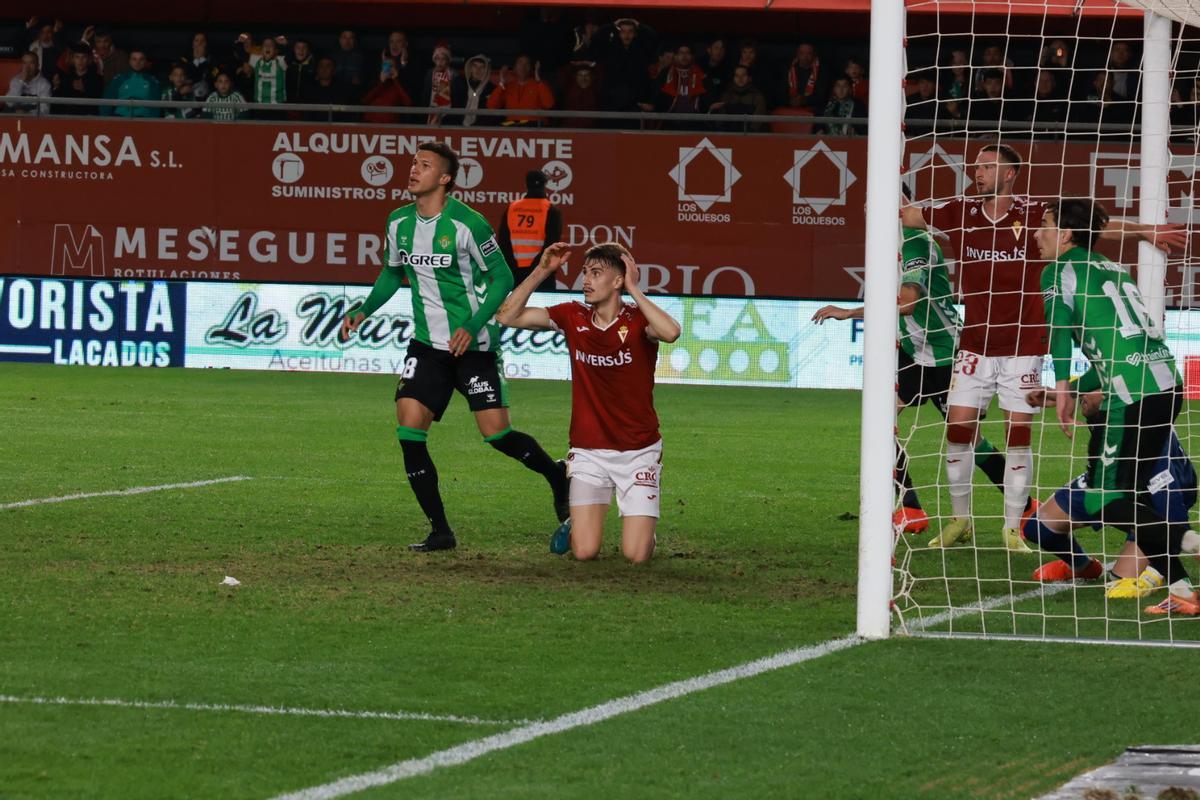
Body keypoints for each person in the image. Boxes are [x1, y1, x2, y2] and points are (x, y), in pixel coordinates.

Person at [899, 144, 1183, 552]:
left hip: (1023, 344)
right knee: (958, 429)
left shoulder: (1035, 214)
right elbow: (910, 215)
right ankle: (960, 519)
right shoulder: (960, 210)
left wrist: (1144, 231)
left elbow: (1094, 228)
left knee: (1018, 434)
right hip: (975, 343)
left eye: (988, 166)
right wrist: (893, 210)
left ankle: (1013, 527)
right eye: (976, 166)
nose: (977, 172)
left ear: (1010, 174)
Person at [339, 142, 570, 552]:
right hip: (427, 346)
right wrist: (363, 310)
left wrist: (472, 324)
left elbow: (501, 279)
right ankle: (440, 531)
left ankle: (556, 476)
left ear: (444, 178)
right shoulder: (398, 223)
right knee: (409, 431)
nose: (413, 170)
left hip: (475, 346)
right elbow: (392, 274)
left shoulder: (469, 224)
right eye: (413, 163)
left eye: (424, 165)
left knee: (496, 435)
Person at [1027, 198, 1198, 615]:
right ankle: (1183, 591)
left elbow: (1060, 333)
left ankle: (1188, 544)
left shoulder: (1057, 271)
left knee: (1103, 496)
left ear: (1065, 234)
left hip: (1131, 395)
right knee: (1132, 492)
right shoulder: (1109, 266)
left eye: (1045, 224)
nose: (1037, 233)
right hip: (1164, 383)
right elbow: (1115, 345)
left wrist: (1063, 387)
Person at [812, 187, 1016, 534]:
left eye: (872, 200)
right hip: (912, 353)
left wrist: (850, 313)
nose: (865, 208)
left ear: (899, 203)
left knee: (968, 438)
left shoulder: (916, 242)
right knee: (878, 427)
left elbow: (907, 302)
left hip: (943, 355)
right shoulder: (889, 244)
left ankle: (1025, 509)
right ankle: (910, 508)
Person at [496, 242, 681, 563]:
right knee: (584, 551)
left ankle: (645, 531)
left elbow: (671, 332)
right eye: (585, 273)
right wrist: (542, 271)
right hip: (588, 451)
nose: (586, 280)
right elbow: (507, 316)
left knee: (636, 555)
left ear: (618, 281)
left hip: (638, 451)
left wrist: (635, 290)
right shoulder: (572, 315)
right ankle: (576, 520)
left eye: (596, 273)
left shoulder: (638, 321)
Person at [498, 170, 564, 290]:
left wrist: (512, 268)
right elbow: (552, 243)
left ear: (526, 185)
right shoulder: (551, 210)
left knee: (514, 307)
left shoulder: (512, 208)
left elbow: (503, 243)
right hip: (541, 272)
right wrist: (537, 268)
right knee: (542, 308)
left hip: (514, 273)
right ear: (545, 185)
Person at [486, 54, 555, 126]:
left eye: (527, 64)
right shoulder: (507, 86)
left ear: (531, 68)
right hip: (513, 126)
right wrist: (501, 83)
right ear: (514, 67)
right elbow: (491, 106)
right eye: (520, 63)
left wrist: (538, 80)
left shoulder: (539, 85)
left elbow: (549, 104)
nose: (523, 67)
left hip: (534, 126)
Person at [100, 49, 161, 118]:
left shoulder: (152, 81)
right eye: (134, 59)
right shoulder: (119, 79)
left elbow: (155, 108)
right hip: (120, 118)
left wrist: (152, 124)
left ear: (145, 62)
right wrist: (105, 121)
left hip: (143, 120)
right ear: (129, 61)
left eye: (141, 59)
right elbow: (106, 102)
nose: (137, 62)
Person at [53, 42, 103, 115]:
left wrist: (83, 91)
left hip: (87, 119)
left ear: (88, 59)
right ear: (73, 59)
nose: (80, 61)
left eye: (84, 57)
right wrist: (56, 87)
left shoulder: (97, 79)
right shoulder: (66, 77)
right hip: (68, 118)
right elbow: (58, 104)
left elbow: (97, 104)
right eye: (77, 57)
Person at [448, 54, 494, 126]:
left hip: (479, 130)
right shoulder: (458, 83)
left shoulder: (491, 89)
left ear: (486, 70)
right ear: (470, 68)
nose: (478, 70)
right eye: (475, 66)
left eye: (482, 67)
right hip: (456, 127)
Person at [422, 43, 455, 125]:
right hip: (429, 114)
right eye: (437, 59)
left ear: (447, 61)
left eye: (443, 59)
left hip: (448, 117)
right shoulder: (429, 74)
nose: (440, 62)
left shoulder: (454, 76)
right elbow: (425, 96)